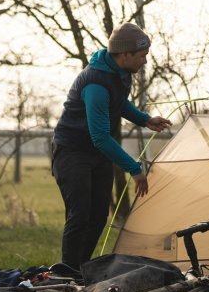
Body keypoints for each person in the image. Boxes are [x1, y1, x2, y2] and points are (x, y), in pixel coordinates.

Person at [52, 22, 172, 273]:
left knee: (98, 216)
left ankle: (79, 271)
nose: (145, 61)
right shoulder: (95, 84)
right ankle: (66, 273)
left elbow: (118, 102)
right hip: (72, 152)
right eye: (142, 56)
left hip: (96, 154)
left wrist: (144, 119)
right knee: (80, 215)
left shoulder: (119, 73)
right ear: (125, 54)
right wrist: (134, 168)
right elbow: (100, 137)